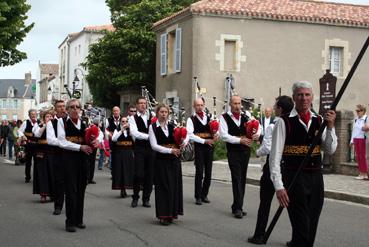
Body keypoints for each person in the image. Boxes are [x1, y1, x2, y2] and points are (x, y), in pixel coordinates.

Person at [269, 81, 337, 247]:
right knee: (301, 225)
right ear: (294, 98)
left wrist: (330, 127)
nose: (304, 98)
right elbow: (275, 157)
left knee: (311, 223)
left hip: (315, 179)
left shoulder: (320, 120)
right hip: (293, 179)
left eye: (307, 95)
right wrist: (279, 186)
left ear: (312, 97)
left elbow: (330, 149)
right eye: (300, 95)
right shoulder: (283, 122)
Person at [248, 95, 294, 244]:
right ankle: (296, 238)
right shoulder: (294, 124)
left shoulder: (273, 126)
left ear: (280, 109)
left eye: (275, 107)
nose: (274, 109)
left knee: (265, 202)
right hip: (288, 167)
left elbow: (268, 148)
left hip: (273, 166)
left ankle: (260, 234)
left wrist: (257, 151)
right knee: (292, 205)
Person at [57, 99, 96, 232]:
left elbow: (99, 133)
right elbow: (62, 142)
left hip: (83, 160)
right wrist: (80, 147)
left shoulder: (85, 123)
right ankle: (70, 222)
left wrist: (97, 141)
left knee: (81, 190)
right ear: (67, 110)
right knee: (71, 191)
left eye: (77, 107)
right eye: (72, 107)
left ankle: (79, 219)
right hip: (69, 160)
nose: (75, 109)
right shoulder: (61, 122)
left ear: (80, 109)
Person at [219, 95, 260, 219]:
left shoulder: (247, 115)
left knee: (242, 178)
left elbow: (258, 126)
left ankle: (237, 205)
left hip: (245, 152)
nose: (237, 106)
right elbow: (224, 135)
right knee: (236, 178)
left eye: (239, 104)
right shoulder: (224, 117)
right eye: (235, 104)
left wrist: (256, 135)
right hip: (233, 151)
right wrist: (239, 140)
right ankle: (238, 208)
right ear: (230, 105)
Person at [149, 103, 188, 225]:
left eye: (166, 112)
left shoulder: (173, 126)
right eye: (162, 112)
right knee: (163, 187)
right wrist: (170, 150)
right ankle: (163, 215)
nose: (164, 114)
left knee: (173, 187)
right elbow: (154, 146)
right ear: (157, 113)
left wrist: (183, 143)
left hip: (174, 161)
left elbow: (185, 135)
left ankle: (171, 213)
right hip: (161, 161)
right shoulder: (153, 127)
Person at [186, 98, 217, 205]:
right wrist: (204, 141)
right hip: (199, 147)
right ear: (194, 106)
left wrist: (216, 135)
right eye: (197, 105)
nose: (199, 107)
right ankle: (198, 196)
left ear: (204, 105)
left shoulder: (210, 118)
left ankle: (205, 194)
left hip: (209, 147)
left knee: (208, 172)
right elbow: (190, 135)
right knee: (199, 172)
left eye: (201, 105)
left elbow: (216, 131)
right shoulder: (191, 119)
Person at [128, 96, 154, 208]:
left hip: (151, 149)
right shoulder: (132, 118)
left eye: (144, 103)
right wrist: (150, 136)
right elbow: (135, 133)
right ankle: (135, 197)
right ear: (137, 105)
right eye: (140, 103)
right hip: (139, 149)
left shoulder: (152, 117)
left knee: (150, 175)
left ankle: (146, 198)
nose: (143, 105)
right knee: (138, 174)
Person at [46, 100, 67, 215]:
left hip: (72, 156)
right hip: (58, 155)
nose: (62, 108)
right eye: (59, 107)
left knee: (72, 182)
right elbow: (51, 140)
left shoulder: (72, 121)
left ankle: (72, 206)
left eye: (64, 106)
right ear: (55, 109)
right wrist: (66, 143)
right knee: (59, 181)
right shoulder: (51, 123)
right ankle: (58, 205)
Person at [32, 110, 55, 203]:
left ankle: (53, 193)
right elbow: (37, 134)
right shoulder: (39, 126)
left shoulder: (56, 126)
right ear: (44, 118)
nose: (49, 118)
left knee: (52, 173)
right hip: (41, 152)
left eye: (51, 116)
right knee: (43, 173)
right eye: (47, 116)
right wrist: (45, 126)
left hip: (52, 151)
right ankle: (43, 194)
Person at [111, 116, 134, 198]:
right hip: (119, 153)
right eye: (123, 121)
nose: (124, 123)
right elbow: (114, 139)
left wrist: (131, 132)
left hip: (128, 153)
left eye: (126, 121)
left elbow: (135, 140)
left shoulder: (130, 130)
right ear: (120, 122)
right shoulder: (117, 130)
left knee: (128, 171)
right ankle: (122, 189)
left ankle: (126, 187)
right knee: (120, 171)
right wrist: (121, 130)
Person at [18, 109, 39, 183]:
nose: (33, 115)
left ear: (36, 114)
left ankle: (36, 177)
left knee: (37, 162)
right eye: (32, 114)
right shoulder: (25, 122)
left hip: (37, 145)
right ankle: (27, 177)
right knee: (28, 162)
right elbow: (19, 131)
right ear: (29, 115)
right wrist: (23, 136)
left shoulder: (39, 122)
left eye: (35, 114)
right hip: (28, 145)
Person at [350, 104, 369, 180]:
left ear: (363, 111)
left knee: (362, 157)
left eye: (359, 111)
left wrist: (366, 127)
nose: (357, 112)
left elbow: (367, 127)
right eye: (356, 111)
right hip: (356, 139)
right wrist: (351, 141)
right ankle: (361, 173)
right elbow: (354, 131)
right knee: (358, 157)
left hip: (363, 139)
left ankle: (365, 174)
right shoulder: (356, 119)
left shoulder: (366, 118)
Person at [105, 106, 122, 170]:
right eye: (114, 111)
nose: (116, 112)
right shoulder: (109, 119)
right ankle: (113, 170)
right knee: (113, 155)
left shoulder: (123, 119)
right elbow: (104, 129)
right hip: (112, 141)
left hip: (120, 140)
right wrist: (108, 134)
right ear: (113, 112)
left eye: (117, 110)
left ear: (119, 111)